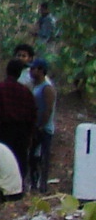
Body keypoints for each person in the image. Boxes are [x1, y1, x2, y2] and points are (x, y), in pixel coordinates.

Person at [0, 68, 38, 185]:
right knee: (20, 158)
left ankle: (3, 186)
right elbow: (32, 113)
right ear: (19, 74)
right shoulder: (25, 91)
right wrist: (30, 133)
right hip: (22, 130)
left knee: (3, 158)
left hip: (4, 129)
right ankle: (19, 186)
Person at [32, 61, 60, 193]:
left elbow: (48, 109)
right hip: (36, 127)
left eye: (34, 69)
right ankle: (34, 183)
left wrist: (41, 125)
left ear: (41, 70)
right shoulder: (36, 86)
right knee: (33, 157)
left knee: (43, 157)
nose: (31, 72)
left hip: (44, 129)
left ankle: (42, 185)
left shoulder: (47, 88)